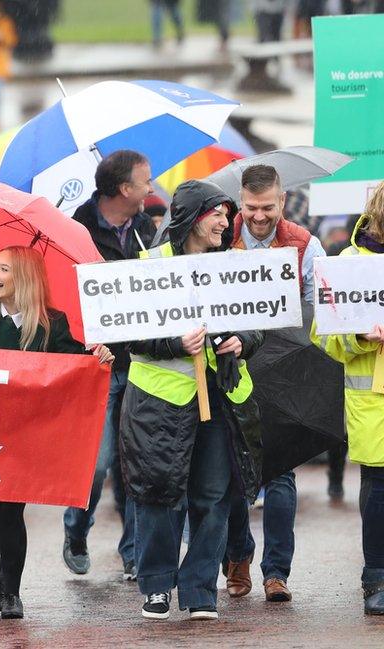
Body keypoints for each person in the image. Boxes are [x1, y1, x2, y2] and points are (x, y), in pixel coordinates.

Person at [122, 179, 264, 621]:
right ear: (191, 218)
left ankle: (200, 588)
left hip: (219, 401)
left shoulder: (232, 266)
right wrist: (172, 343)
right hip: (159, 404)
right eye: (216, 213)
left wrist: (243, 340)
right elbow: (127, 333)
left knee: (215, 496)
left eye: (227, 213)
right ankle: (158, 586)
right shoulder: (149, 264)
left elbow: (258, 323)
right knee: (159, 494)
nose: (227, 221)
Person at [0, 245, 114, 619]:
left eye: (3, 269)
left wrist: (98, 358)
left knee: (10, 512)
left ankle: (12, 591)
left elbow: (76, 364)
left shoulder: (51, 323)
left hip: (23, 435)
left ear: (23, 277)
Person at [223, 164, 325, 604]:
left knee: (280, 474)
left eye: (267, 207)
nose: (259, 216)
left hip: (284, 370)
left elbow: (320, 307)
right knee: (228, 474)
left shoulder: (308, 244)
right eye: (250, 208)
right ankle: (238, 558)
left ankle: (277, 572)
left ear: (282, 201)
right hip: (231, 369)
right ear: (240, 201)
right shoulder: (221, 237)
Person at [66, 151, 156, 581]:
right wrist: (86, 344)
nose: (151, 189)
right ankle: (76, 528)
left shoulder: (146, 228)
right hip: (96, 366)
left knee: (134, 463)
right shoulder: (75, 231)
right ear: (124, 189)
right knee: (97, 461)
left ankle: (134, 552)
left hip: (138, 361)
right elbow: (63, 301)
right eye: (145, 181)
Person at [311, 180, 384, 616]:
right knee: (379, 490)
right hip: (373, 402)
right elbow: (324, 335)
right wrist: (358, 336)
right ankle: (375, 578)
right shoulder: (348, 264)